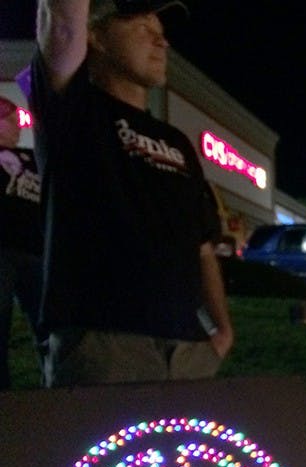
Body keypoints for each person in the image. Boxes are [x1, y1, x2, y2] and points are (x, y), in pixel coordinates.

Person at [31, 0, 232, 386]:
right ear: (97, 36)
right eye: (143, 28)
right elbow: (63, 21)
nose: (161, 42)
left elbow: (203, 245)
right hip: (105, 344)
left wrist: (222, 332)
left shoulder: (177, 141)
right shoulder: (73, 111)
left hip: (189, 348)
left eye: (162, 33)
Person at [0, 95, 45, 389]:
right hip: (2, 251)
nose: (18, 128)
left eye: (19, 122)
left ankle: (51, 381)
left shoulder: (33, 158)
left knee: (46, 323)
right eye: (10, 122)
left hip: (36, 252)